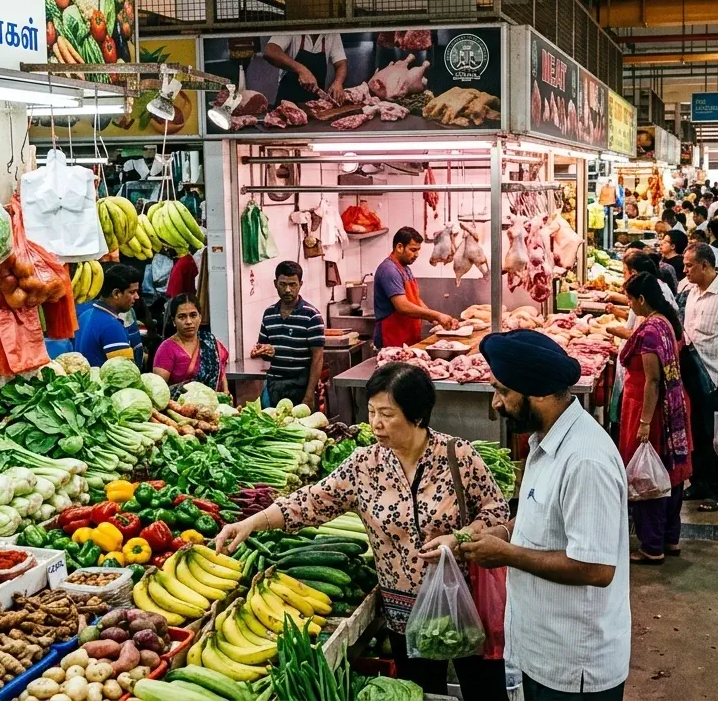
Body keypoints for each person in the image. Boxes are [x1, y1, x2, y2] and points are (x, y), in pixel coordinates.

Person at [215, 362, 510, 699]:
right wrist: (251, 522)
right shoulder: (365, 465)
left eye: (387, 414)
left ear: (416, 415)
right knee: (421, 693)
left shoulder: (457, 456)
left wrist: (460, 538)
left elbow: (496, 511)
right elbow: (311, 501)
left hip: (462, 606)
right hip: (405, 619)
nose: (376, 424)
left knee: (484, 692)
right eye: (371, 412)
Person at [465, 330, 630, 701]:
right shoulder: (545, 441)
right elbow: (547, 522)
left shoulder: (586, 459)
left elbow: (596, 568)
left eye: (503, 391)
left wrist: (506, 555)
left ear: (535, 391)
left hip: (574, 665)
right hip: (541, 650)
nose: (496, 403)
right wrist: (503, 533)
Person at [618, 272, 693, 563]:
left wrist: (645, 424)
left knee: (647, 475)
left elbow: (651, 380)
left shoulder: (650, 330)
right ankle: (670, 538)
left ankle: (651, 546)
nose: (630, 305)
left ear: (641, 299)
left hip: (648, 408)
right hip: (671, 405)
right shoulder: (666, 319)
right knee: (670, 473)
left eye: (630, 299)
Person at [677, 244, 718, 512]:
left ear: (705, 265)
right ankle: (699, 483)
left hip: (716, 379)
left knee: (717, 437)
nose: (685, 270)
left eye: (689, 265)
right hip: (692, 376)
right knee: (696, 434)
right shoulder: (690, 292)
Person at [250, 260, 324, 408]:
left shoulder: (311, 316)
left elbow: (317, 358)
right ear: (275, 283)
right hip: (274, 384)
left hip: (301, 386)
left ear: (300, 284)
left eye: (293, 284)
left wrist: (309, 395)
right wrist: (264, 351)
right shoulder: (269, 314)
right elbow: (263, 350)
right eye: (283, 284)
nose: (288, 290)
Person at [373, 227, 458, 348]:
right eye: (413, 250)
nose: (416, 254)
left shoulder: (405, 268)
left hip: (407, 336)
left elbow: (415, 300)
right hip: (391, 338)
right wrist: (437, 315)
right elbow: (402, 306)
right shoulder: (389, 270)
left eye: (418, 250)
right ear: (399, 247)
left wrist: (435, 320)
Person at [152, 294, 229, 391]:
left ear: (200, 317)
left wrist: (226, 392)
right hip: (179, 405)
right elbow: (159, 390)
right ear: (173, 321)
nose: (188, 321)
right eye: (182, 317)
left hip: (213, 403)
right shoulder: (167, 349)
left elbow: (221, 372)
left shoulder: (209, 341)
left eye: (193, 315)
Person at [74, 263, 143, 367]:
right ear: (116, 293)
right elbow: (125, 374)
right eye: (132, 292)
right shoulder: (111, 326)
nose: (137, 297)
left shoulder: (85, 315)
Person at [264, 33, 349, 104]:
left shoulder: (331, 33)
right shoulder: (292, 27)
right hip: (288, 104)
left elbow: (341, 63)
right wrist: (301, 70)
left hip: (315, 105)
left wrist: (338, 82)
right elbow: (270, 51)